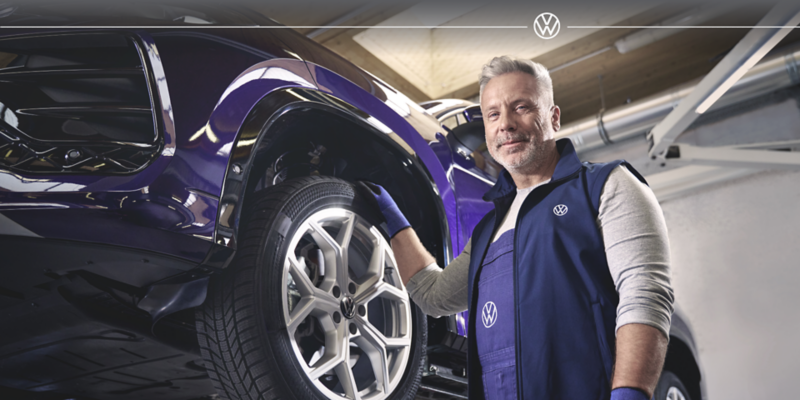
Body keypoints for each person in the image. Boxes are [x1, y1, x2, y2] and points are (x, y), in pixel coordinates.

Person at [359, 56, 674, 400]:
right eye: (493, 114)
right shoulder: (487, 232)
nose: (505, 124)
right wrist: (394, 222)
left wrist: (630, 393)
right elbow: (434, 297)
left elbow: (644, 294)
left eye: (521, 107)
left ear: (553, 117)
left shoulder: (605, 186)